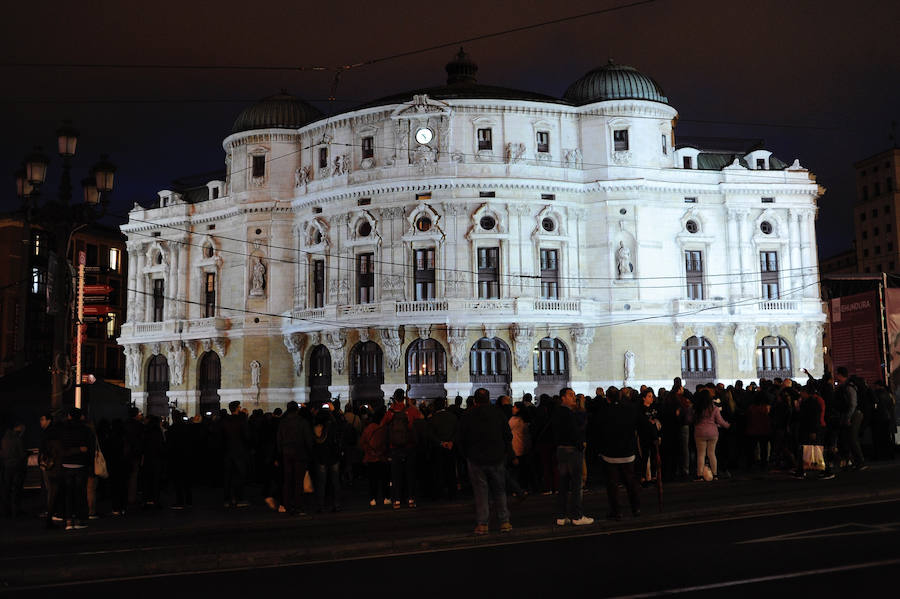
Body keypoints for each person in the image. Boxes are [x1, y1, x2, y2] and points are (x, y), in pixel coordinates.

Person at [458, 387, 513, 535]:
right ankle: (505, 522)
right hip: (496, 457)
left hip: (476, 459)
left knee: (481, 492)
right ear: (489, 399)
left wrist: (467, 455)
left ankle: (483, 524)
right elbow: (508, 435)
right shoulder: (498, 413)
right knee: (500, 490)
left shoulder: (468, 415)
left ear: (474, 401)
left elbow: (461, 438)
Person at [594, 387, 651, 520]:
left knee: (613, 485)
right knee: (631, 482)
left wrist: (599, 450)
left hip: (610, 454)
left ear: (607, 398)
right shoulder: (630, 410)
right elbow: (644, 425)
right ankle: (636, 508)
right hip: (627, 452)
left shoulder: (604, 412)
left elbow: (597, 431)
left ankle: (617, 511)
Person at [551, 388, 592, 526]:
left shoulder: (558, 412)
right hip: (572, 450)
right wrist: (580, 446)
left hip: (561, 449)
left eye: (574, 395)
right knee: (576, 484)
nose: (573, 397)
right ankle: (577, 515)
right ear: (563, 397)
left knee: (562, 484)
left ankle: (561, 516)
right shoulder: (568, 413)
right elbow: (575, 432)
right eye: (570, 395)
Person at [381, 389, 422, 509]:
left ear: (394, 397)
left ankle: (397, 500)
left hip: (395, 447)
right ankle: (410, 498)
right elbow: (420, 417)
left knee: (396, 474)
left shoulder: (391, 411)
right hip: (409, 446)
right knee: (410, 473)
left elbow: (382, 425)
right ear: (404, 398)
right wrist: (410, 404)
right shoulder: (410, 411)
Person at [277, 401, 314, 515]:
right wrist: (310, 453)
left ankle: (287, 505)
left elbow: (279, 440)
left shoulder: (282, 423)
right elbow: (308, 440)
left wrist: (280, 455)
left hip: (286, 453)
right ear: (297, 410)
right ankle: (298, 506)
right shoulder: (302, 422)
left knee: (287, 480)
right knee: (298, 481)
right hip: (300, 453)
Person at [60, 408, 93, 530]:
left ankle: (68, 521)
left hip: (66, 465)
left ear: (68, 416)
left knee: (68, 494)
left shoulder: (63, 430)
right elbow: (90, 449)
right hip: (81, 465)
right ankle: (79, 520)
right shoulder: (85, 430)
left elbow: (61, 448)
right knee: (80, 493)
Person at [693, 389, 730, 481]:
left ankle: (700, 476)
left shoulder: (696, 409)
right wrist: (728, 425)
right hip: (713, 432)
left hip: (700, 432)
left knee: (701, 454)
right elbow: (720, 421)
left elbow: (689, 419)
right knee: (712, 453)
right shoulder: (715, 408)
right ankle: (715, 474)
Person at [312, 401, 343, 512]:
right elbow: (341, 424)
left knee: (321, 483)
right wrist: (334, 411)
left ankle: (320, 506)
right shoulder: (332, 425)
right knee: (335, 482)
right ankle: (336, 504)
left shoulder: (315, 426)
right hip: (333, 456)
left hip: (320, 457)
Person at [427, 397, 459, 501]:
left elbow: (430, 435)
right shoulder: (453, 417)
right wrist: (451, 442)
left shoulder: (432, 419)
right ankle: (453, 493)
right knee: (451, 471)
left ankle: (438, 494)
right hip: (450, 448)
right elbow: (457, 431)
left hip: (438, 448)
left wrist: (440, 443)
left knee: (438, 471)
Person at [835, 367, 866, 470]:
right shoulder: (845, 386)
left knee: (853, 438)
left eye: (837, 374)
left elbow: (853, 403)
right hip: (852, 414)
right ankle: (855, 462)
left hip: (854, 414)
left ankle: (860, 462)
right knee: (849, 438)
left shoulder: (848, 387)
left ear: (840, 375)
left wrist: (848, 417)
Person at [221, 400, 251, 507]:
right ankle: (239, 498)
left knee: (227, 477)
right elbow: (247, 436)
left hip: (228, 452)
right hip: (239, 452)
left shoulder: (225, 421)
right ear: (237, 408)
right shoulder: (241, 421)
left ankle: (227, 499)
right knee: (240, 476)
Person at [361, 407, 390, 507]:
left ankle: (373, 499)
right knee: (384, 479)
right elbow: (387, 443)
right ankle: (386, 498)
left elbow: (362, 443)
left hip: (371, 458)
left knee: (372, 480)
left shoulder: (368, 428)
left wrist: (370, 451)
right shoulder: (384, 429)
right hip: (382, 458)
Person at [1, 422, 26, 518]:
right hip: (17, 466)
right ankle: (16, 511)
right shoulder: (17, 439)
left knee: (7, 489)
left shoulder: (4, 438)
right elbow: (21, 454)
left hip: (7, 466)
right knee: (16, 490)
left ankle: (6, 511)